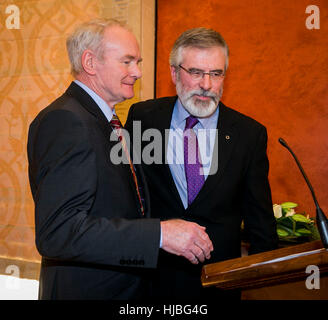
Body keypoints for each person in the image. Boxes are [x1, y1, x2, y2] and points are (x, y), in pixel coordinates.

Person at [27, 19, 214, 300]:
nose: (137, 72)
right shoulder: (66, 120)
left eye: (137, 62)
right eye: (127, 62)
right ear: (90, 62)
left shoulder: (107, 121)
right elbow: (58, 231)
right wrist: (159, 235)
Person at [125, 27, 278, 300]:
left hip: (218, 286)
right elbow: (126, 197)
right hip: (150, 283)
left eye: (216, 74)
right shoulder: (143, 117)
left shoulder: (249, 134)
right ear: (174, 73)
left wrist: (257, 283)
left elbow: (260, 222)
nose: (206, 84)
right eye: (195, 72)